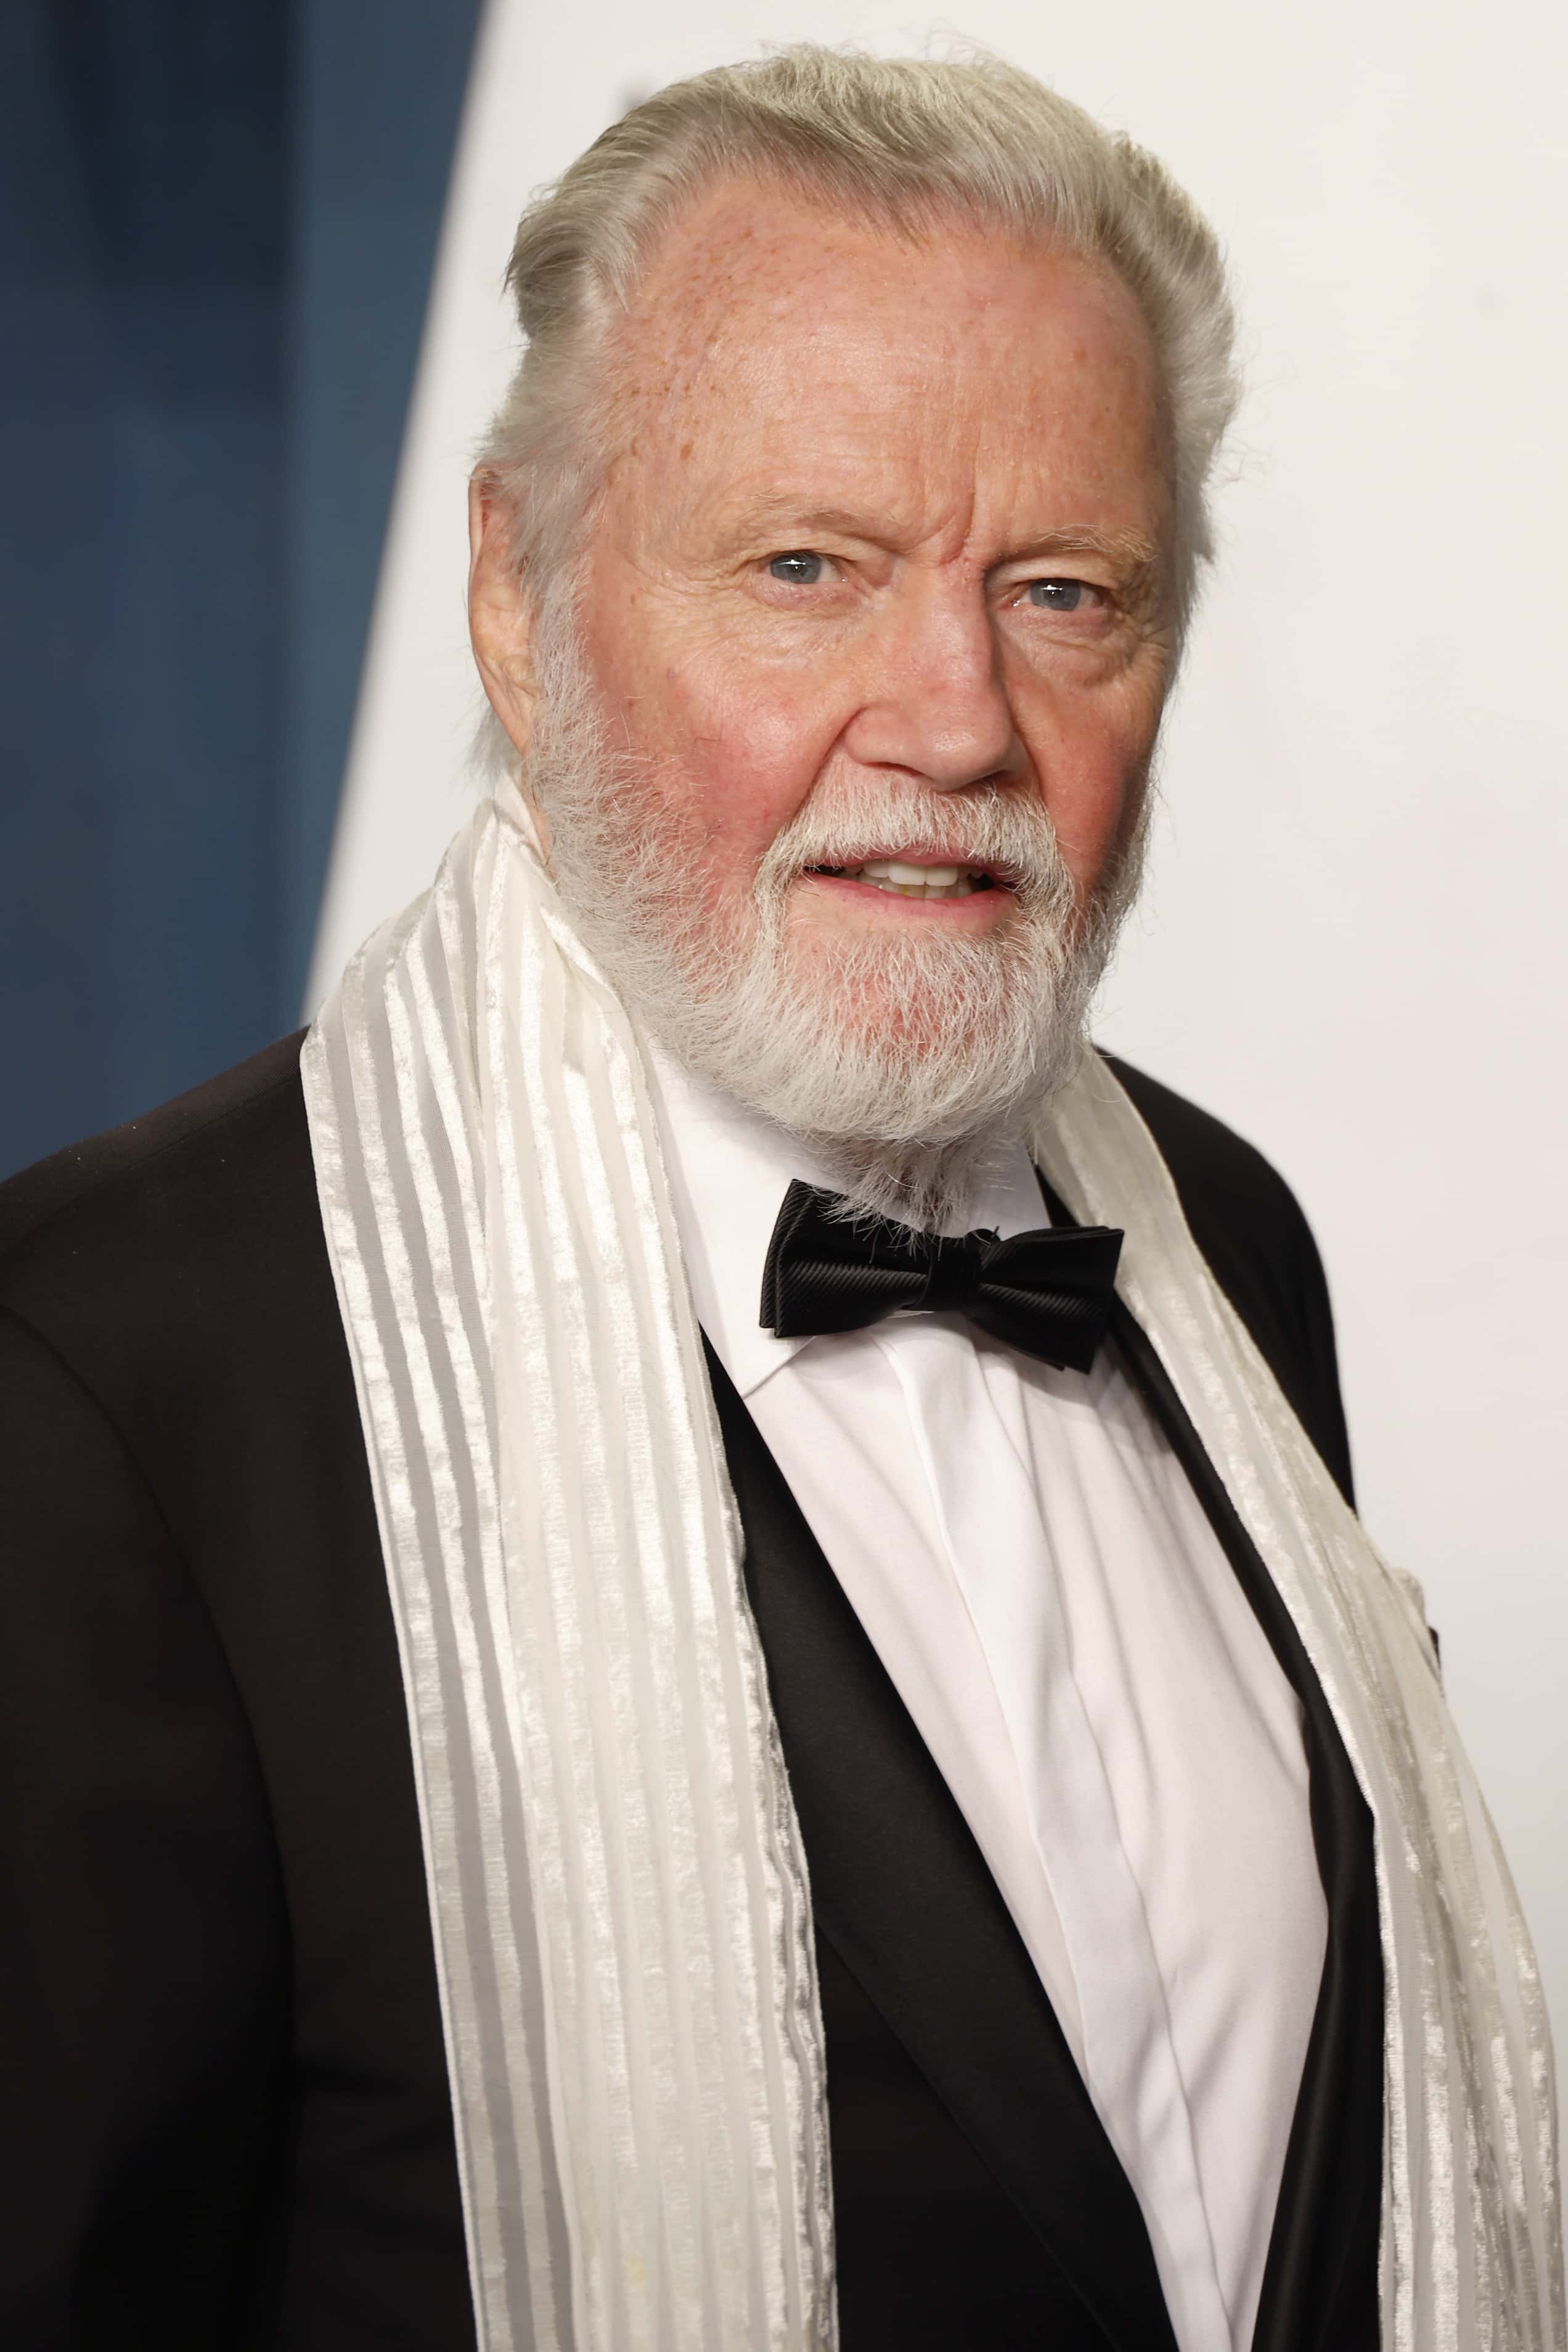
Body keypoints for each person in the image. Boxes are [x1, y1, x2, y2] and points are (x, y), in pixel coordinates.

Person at [0, 46, 1558, 2352]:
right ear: (518, 596)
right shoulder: (109, 1388)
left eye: (1065, 592)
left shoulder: (1224, 1248)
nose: (955, 718)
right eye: (807, 568)